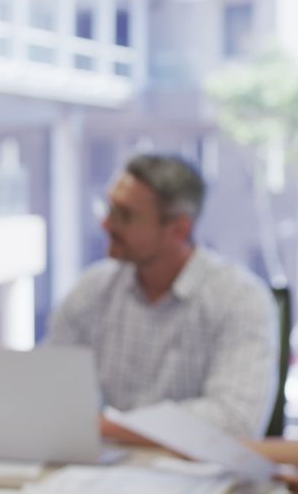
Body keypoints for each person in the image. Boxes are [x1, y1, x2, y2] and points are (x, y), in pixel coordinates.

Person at [48, 153, 278, 444]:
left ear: (179, 229)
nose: (107, 225)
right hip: (106, 471)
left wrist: (109, 428)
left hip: (195, 478)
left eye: (125, 215)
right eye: (109, 209)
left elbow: (234, 420)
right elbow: (50, 389)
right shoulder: (94, 288)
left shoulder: (239, 298)